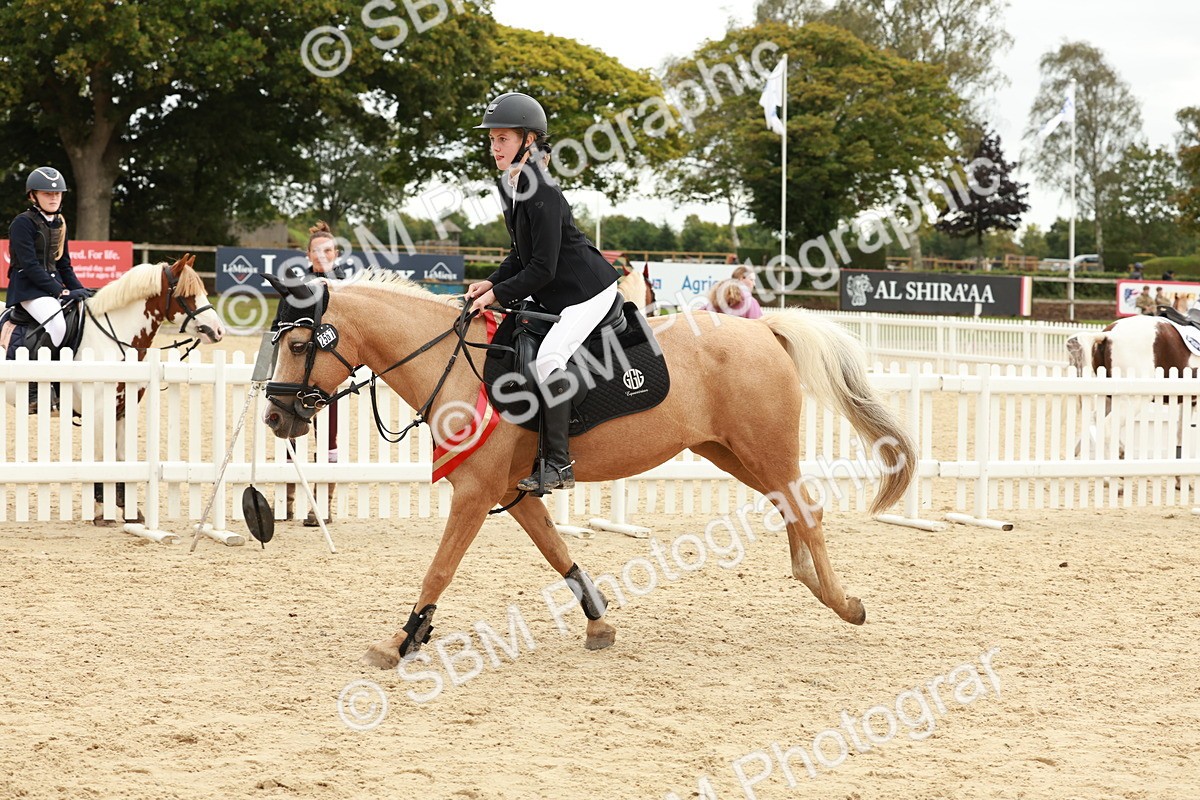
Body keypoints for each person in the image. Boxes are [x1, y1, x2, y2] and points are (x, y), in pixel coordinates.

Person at [466, 92, 620, 493]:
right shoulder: (513, 186)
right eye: (492, 139)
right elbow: (521, 254)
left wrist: (497, 296)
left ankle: (556, 464)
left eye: (503, 139)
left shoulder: (544, 193)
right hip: (558, 290)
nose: (494, 147)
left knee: (551, 359)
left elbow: (542, 268)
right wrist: (491, 281)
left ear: (528, 141)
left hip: (587, 292)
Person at [7, 166, 89, 412]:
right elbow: (30, 266)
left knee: (84, 314)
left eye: (58, 194)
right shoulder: (22, 223)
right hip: (27, 290)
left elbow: (64, 264)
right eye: (46, 193)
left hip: (50, 287)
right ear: (33, 195)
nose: (53, 197)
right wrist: (61, 291)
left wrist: (81, 290)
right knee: (57, 324)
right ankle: (33, 386)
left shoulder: (61, 223)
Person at [284, 221, 348, 525]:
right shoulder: (296, 286)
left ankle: (322, 504)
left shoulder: (348, 288)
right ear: (308, 254)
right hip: (297, 373)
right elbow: (278, 330)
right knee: (289, 431)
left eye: (328, 250)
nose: (323, 255)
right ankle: (286, 500)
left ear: (336, 253)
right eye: (317, 251)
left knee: (328, 439)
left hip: (329, 376)